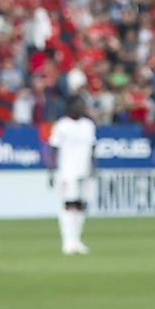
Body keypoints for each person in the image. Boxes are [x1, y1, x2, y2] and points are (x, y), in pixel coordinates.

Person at [47, 97, 97, 255]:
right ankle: (67, 241)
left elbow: (92, 148)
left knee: (82, 205)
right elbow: (54, 149)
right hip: (68, 172)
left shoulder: (88, 125)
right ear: (70, 107)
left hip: (85, 171)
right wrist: (51, 171)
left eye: (83, 105)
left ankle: (77, 240)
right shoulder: (62, 125)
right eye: (79, 105)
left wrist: (94, 168)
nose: (81, 108)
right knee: (69, 204)